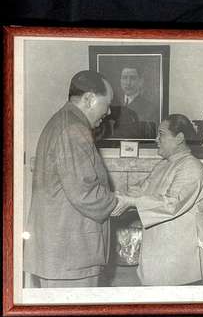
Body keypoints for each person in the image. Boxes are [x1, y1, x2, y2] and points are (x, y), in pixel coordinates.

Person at [23, 70, 126, 287]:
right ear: (89, 99)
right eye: (106, 104)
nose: (108, 112)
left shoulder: (61, 122)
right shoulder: (74, 130)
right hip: (71, 255)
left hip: (60, 253)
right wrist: (119, 201)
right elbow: (85, 193)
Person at [114, 114, 203, 285]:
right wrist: (114, 197)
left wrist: (130, 202)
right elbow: (140, 191)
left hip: (184, 258)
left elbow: (172, 203)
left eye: (161, 134)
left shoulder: (191, 167)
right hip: (161, 253)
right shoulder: (164, 165)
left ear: (180, 138)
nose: (156, 139)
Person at [99, 66, 157, 139]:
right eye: (124, 78)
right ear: (120, 80)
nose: (128, 83)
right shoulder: (112, 103)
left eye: (132, 78)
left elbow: (148, 136)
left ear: (140, 81)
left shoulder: (149, 107)